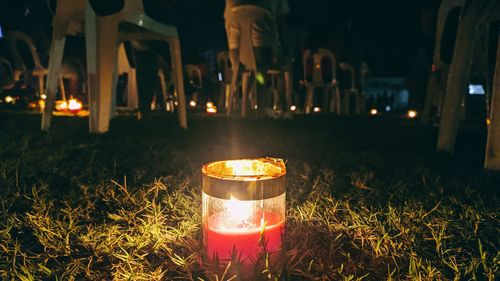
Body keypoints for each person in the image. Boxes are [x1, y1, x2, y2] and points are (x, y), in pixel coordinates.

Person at [224, 0, 291, 116]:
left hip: (237, 54)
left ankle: (245, 106)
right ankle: (282, 108)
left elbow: (227, 18)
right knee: (281, 63)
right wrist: (286, 51)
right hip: (263, 53)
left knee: (251, 66)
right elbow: (282, 25)